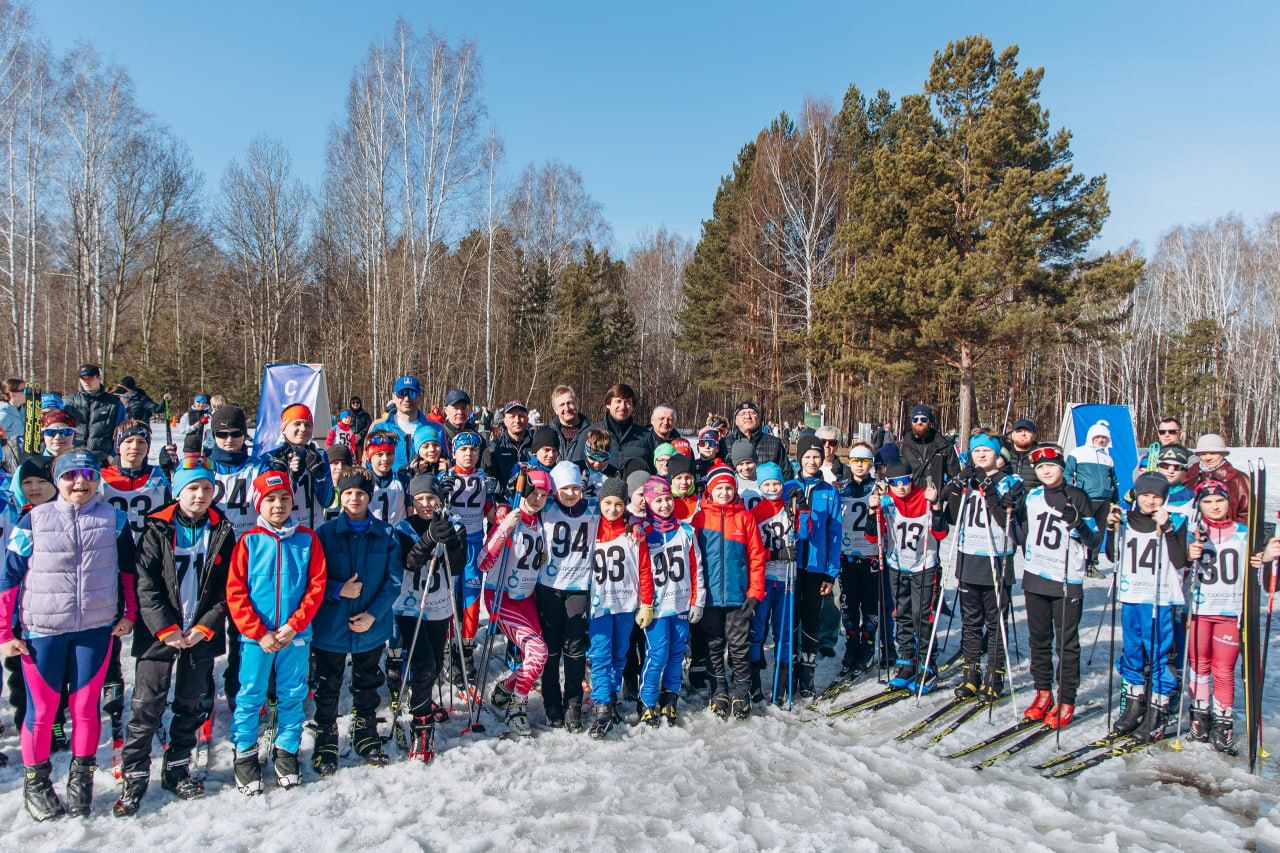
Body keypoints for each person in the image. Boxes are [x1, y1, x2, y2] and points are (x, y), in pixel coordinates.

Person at [0, 449, 138, 821]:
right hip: (42, 630)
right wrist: (3, 632)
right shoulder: (33, 521)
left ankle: (81, 779)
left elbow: (128, 571)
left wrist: (130, 614)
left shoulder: (115, 519)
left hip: (94, 629)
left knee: (85, 709)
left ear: (98, 479)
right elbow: (8, 578)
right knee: (42, 711)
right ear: (58, 479)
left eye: (89, 475)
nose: (81, 482)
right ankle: (37, 783)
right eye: (71, 475)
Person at [114, 456, 234, 816]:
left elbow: (228, 586)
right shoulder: (157, 528)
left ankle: (178, 766)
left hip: (200, 630)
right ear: (178, 491)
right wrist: (165, 628)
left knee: (191, 702)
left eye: (207, 488)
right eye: (193, 488)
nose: (200, 495)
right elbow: (144, 583)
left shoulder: (222, 528)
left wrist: (204, 626)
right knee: (147, 705)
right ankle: (134, 775)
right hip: (159, 631)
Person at [226, 471, 326, 795]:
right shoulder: (249, 541)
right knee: (251, 694)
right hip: (258, 638)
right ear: (259, 504)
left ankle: (287, 750)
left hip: (294, 635)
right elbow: (236, 592)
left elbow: (316, 586)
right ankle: (244, 754)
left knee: (292, 693)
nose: (278, 505)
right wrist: (258, 632)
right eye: (270, 499)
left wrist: (295, 623)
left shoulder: (307, 540)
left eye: (284, 498)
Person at [312, 469, 402, 772]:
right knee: (329, 682)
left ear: (370, 496)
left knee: (367, 680)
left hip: (370, 627)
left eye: (360, 493)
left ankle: (365, 731)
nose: (354, 498)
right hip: (332, 626)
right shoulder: (324, 534)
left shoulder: (386, 535)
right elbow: (312, 580)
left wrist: (374, 614)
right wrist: (339, 589)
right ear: (341, 494)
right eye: (349, 493)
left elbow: (393, 581)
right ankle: (326, 733)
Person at [1011, 444, 1101, 729]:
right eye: (1040, 467)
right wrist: (1010, 512)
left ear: (1062, 467)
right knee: (1038, 640)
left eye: (1051, 465)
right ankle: (1043, 692)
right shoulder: (1033, 496)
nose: (1046, 471)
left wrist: (1080, 526)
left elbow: (1096, 541)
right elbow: (1020, 534)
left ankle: (1067, 698)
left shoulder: (1078, 496)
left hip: (1066, 579)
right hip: (1036, 574)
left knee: (1066, 644)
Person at [98, 420, 173, 754]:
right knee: (110, 638)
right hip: (109, 567)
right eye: (128, 442)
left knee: (150, 634)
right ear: (118, 446)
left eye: (141, 443)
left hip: (150, 563)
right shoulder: (100, 479)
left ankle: (151, 702)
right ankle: (114, 705)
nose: (134, 448)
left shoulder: (158, 477)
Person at [937, 432, 1024, 703]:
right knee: (970, 622)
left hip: (997, 557)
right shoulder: (969, 483)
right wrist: (952, 489)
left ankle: (993, 676)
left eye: (987, 451)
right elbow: (952, 517)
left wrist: (991, 491)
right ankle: (970, 673)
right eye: (977, 452)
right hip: (969, 556)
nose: (982, 455)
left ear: (998, 455)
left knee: (995, 621)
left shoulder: (1010, 481)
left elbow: (1005, 520)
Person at [1105, 473, 1188, 742]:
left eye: (1156, 497)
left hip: (1159, 597)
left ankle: (1158, 709)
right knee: (1132, 651)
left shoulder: (1174, 520)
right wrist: (1110, 529)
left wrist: (1167, 529)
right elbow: (1111, 555)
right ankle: (1135, 703)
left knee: (1158, 653)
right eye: (1145, 495)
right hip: (1132, 594)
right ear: (1137, 496)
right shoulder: (1127, 520)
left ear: (1163, 499)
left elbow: (1180, 561)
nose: (1150, 501)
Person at [393, 472, 466, 760]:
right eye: (420, 499)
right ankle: (422, 727)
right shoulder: (403, 528)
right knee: (422, 664)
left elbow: (458, 566)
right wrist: (429, 538)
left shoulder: (455, 525)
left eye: (431, 498)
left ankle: (421, 697)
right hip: (411, 605)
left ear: (441, 499)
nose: (426, 504)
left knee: (435, 663)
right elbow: (408, 562)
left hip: (439, 605)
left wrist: (449, 541)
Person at [479, 469, 552, 737]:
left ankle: (508, 686)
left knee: (540, 656)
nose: (538, 498)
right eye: (534, 492)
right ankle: (516, 707)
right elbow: (483, 562)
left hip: (526, 597)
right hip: (502, 596)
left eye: (544, 495)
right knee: (538, 652)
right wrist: (504, 529)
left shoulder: (541, 522)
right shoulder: (510, 517)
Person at [690, 464, 766, 719]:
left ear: (735, 490)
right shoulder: (700, 519)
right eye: (719, 488)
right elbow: (693, 558)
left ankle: (741, 692)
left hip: (738, 595)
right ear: (710, 491)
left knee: (739, 646)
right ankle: (719, 689)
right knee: (713, 644)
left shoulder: (745, 518)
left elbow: (756, 557)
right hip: (710, 597)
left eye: (728, 488)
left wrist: (755, 592)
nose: (724, 493)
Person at [1184, 480, 1249, 754]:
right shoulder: (1192, 532)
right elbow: (1176, 564)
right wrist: (1188, 554)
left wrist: (1267, 557)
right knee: (1199, 667)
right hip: (1199, 611)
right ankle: (1200, 719)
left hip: (1229, 612)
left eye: (1219, 501)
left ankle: (1223, 724)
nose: (1214, 507)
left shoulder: (1245, 532)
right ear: (1199, 505)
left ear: (1228, 501)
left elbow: (1263, 572)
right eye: (1207, 502)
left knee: (1223, 670)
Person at [872, 461, 946, 692]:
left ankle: (927, 662)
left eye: (904, 481)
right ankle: (907, 660)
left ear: (911, 479)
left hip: (924, 565)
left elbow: (941, 532)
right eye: (895, 483)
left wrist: (935, 506)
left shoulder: (925, 496)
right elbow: (871, 535)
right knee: (901, 613)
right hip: (897, 564)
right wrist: (870, 509)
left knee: (921, 614)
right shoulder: (886, 500)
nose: (901, 487)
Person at [537, 460, 600, 731]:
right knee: (551, 649)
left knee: (574, 649)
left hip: (579, 588)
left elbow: (621, 510)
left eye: (575, 488)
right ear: (556, 489)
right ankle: (552, 701)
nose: (571, 493)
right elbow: (526, 503)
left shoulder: (594, 510)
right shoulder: (547, 508)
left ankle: (573, 704)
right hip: (549, 586)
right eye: (565, 489)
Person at [586, 477, 651, 738]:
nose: (612, 509)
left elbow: (645, 570)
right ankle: (601, 704)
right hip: (599, 604)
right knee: (600, 655)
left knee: (619, 654)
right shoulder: (591, 528)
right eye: (607, 503)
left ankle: (610, 697)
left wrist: (646, 602)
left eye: (618, 504)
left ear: (626, 505)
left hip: (625, 603)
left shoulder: (634, 532)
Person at [637, 475, 704, 726]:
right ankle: (647, 700)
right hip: (655, 606)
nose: (665, 505)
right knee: (658, 653)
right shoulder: (643, 531)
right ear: (648, 502)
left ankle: (670, 696)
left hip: (680, 602)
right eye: (658, 500)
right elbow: (638, 570)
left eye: (668, 499)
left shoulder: (686, 531)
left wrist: (698, 600)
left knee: (677, 652)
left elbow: (696, 568)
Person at [443, 430, 498, 685]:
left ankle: (465, 651)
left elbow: (492, 516)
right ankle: (448, 652)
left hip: (474, 544)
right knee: (450, 597)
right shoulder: (446, 477)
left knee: (472, 601)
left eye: (473, 450)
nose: (468, 454)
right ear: (455, 452)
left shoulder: (483, 479)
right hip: (452, 545)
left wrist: (498, 499)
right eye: (463, 450)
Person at [792, 436, 842, 698]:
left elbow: (835, 534)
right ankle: (788, 672)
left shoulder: (829, 491)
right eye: (807, 456)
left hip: (815, 567)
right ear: (799, 458)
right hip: (790, 566)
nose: (812, 461)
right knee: (790, 619)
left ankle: (807, 677)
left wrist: (830, 572)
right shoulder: (789, 486)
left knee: (811, 620)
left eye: (816, 457)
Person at [749, 463, 796, 702]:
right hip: (764, 579)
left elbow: (805, 536)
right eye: (766, 484)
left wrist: (803, 510)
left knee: (784, 632)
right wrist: (776, 554)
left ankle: (782, 681)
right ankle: (754, 682)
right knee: (757, 631)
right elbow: (753, 549)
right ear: (759, 487)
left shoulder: (792, 509)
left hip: (787, 580)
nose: (772, 488)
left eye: (776, 483)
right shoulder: (756, 513)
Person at [837, 443, 881, 679]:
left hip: (871, 556)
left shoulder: (878, 487)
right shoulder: (842, 487)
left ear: (871, 463)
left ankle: (867, 647)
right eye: (855, 461)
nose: (860, 465)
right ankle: (851, 646)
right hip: (847, 555)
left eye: (864, 461)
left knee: (870, 606)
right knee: (848, 606)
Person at [262, 404, 334, 530]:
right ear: (283, 428)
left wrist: (319, 476)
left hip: (314, 530)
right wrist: (290, 478)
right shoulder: (270, 458)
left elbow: (327, 501)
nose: (303, 429)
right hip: (283, 531)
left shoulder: (320, 456)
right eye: (297, 424)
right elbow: (269, 503)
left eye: (308, 424)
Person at [1065, 420, 1120, 573]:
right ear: (1091, 437)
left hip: (1105, 501)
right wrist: (1072, 493)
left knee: (1099, 533)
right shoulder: (1078, 452)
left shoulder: (1107, 458)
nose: (1101, 440)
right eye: (1098, 437)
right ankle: (1077, 562)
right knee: (1083, 530)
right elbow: (1068, 473)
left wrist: (1116, 500)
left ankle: (1092, 564)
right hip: (1086, 498)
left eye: (1104, 437)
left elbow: (1113, 480)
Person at [63, 364, 126, 463]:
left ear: (99, 378)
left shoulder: (114, 403)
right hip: (75, 456)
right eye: (83, 379)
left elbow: (120, 432)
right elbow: (63, 428)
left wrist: (112, 455)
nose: (86, 382)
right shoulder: (71, 401)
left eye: (90, 378)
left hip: (102, 459)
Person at [1183, 433, 1249, 523]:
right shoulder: (1189, 475)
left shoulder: (1238, 479)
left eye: (1213, 453)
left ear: (1223, 454)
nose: (1208, 458)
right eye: (1203, 454)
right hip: (1191, 533)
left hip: (1225, 534)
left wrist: (1232, 530)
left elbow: (1247, 515)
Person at [719, 401, 790, 476]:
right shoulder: (724, 444)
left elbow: (786, 474)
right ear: (736, 421)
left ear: (758, 418)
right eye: (742, 414)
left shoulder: (775, 443)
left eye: (752, 413)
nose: (747, 417)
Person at [373, 376, 431, 469]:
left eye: (412, 394)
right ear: (394, 397)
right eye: (401, 394)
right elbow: (369, 464)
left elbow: (446, 462)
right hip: (390, 483)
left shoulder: (435, 429)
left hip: (423, 482)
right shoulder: (381, 428)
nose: (407, 399)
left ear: (419, 397)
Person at [899, 404, 958, 488]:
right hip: (910, 499)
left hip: (935, 499)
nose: (919, 422)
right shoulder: (902, 447)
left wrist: (942, 494)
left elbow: (954, 476)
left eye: (923, 419)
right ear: (911, 422)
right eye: (915, 419)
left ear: (930, 421)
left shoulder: (944, 446)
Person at [600, 383, 653, 469]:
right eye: (618, 401)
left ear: (633, 407)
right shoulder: (591, 433)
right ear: (608, 404)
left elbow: (654, 473)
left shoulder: (645, 436)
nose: (622, 407)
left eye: (627, 402)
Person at [364, 429, 409, 526]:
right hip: (372, 535)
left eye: (389, 454)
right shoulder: (363, 481)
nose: (385, 459)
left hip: (398, 536)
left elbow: (411, 511)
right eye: (379, 455)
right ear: (369, 457)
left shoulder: (403, 480)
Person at [484, 401, 533, 488]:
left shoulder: (537, 445)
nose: (517, 420)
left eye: (521, 416)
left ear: (527, 419)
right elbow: (487, 480)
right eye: (512, 417)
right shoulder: (494, 448)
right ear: (505, 421)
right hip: (504, 500)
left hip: (533, 499)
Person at [548, 384, 590, 464]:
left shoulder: (590, 433)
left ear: (577, 403)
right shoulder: (547, 434)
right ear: (555, 410)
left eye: (570, 403)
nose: (567, 408)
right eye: (562, 405)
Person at [581, 428, 616, 498]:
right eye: (592, 458)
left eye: (602, 460)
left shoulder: (615, 474)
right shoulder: (575, 469)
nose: (597, 464)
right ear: (586, 453)